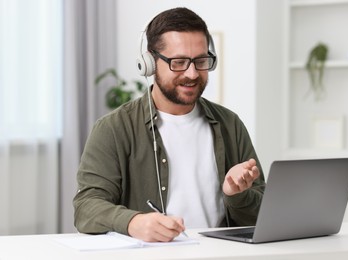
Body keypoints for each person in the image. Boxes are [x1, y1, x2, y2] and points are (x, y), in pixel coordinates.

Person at [73, 7, 266, 242]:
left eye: (201, 61)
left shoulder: (230, 124)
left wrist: (237, 194)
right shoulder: (114, 129)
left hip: (221, 254)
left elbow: (262, 214)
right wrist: (133, 222)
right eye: (179, 62)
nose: (193, 73)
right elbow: (86, 207)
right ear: (150, 62)